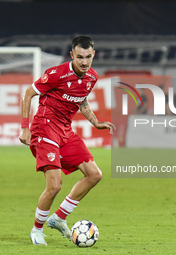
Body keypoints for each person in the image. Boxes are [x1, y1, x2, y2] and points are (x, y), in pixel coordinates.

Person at [19, 35, 115, 246]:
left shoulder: (91, 77)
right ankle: (37, 230)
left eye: (88, 57)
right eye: (79, 57)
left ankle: (59, 217)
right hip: (44, 128)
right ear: (72, 55)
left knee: (94, 174)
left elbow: (82, 100)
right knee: (54, 185)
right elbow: (28, 94)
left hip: (64, 131)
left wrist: (96, 122)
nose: (84, 62)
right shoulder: (56, 74)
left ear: (93, 55)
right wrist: (25, 128)